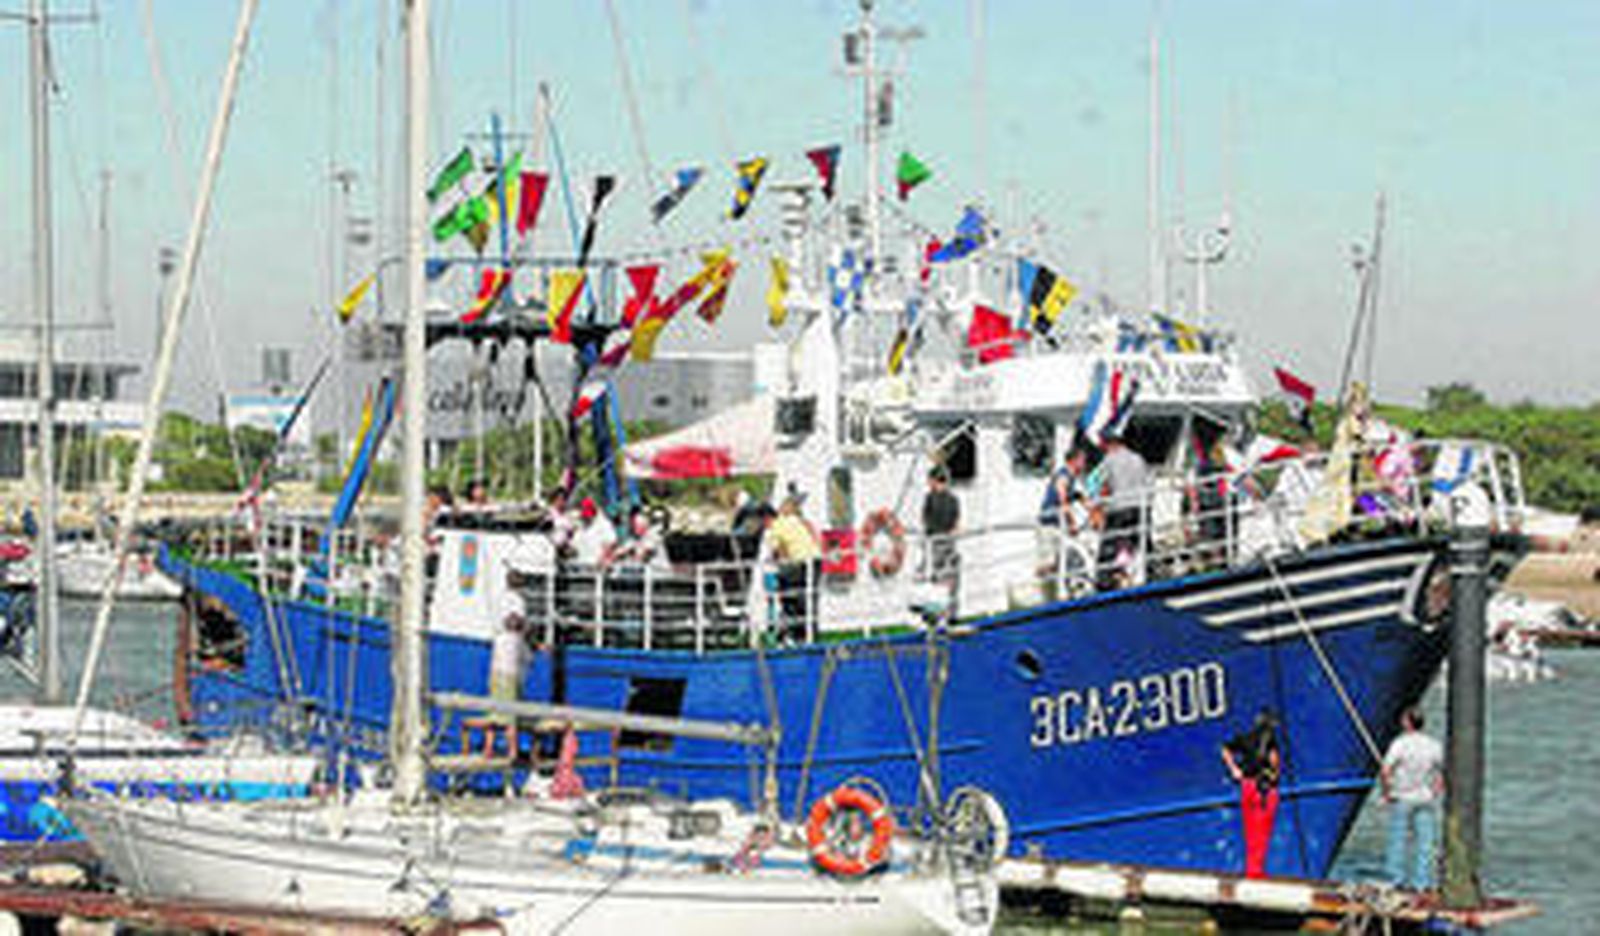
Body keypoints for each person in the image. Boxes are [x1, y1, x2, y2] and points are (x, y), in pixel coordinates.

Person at [1381, 706, 1444, 891]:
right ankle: (1422, 883)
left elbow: (1386, 771)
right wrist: (1437, 790)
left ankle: (1395, 880)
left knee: (1398, 841)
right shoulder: (1433, 744)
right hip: (1424, 797)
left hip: (1402, 797)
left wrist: (1386, 793)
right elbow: (1442, 770)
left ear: (1407, 722)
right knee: (1425, 842)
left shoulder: (1400, 744)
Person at [1221, 709, 1282, 879]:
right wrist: (1274, 774)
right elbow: (1274, 762)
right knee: (1263, 832)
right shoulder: (1270, 741)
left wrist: (1235, 770)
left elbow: (1225, 749)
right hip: (1264, 789)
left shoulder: (1245, 738)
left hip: (1247, 786)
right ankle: (1258, 872)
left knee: (1250, 831)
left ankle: (1251, 871)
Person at [1095, 433, 1150, 589]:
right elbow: (1147, 483)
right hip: (1140, 508)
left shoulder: (1110, 459)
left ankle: (1104, 580)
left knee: (1108, 545)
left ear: (1110, 445)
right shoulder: (1138, 459)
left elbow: (1098, 483)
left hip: (1119, 508)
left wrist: (1097, 506)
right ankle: (1148, 570)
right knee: (1141, 542)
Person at [1038, 445, 1097, 590]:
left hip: (1058, 526)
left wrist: (1091, 509)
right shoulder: (1063, 475)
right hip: (1049, 525)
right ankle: (1044, 594)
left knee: (1061, 561)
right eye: (1082, 460)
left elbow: (1077, 495)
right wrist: (1072, 523)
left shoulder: (1072, 478)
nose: (1084, 463)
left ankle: (1058, 591)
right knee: (1049, 564)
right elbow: (1063, 501)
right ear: (1074, 461)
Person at [765, 491, 822, 640]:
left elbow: (776, 550)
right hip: (815, 559)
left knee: (790, 593)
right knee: (810, 597)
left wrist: (778, 563)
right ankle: (810, 631)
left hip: (801, 561)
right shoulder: (794, 520)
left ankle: (797, 631)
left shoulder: (777, 526)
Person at [921, 468, 960, 590]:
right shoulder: (952, 498)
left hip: (940, 539)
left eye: (930, 480)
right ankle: (945, 592)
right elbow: (956, 519)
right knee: (944, 568)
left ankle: (943, 592)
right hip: (944, 538)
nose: (929, 484)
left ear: (934, 480)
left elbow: (926, 517)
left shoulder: (932, 497)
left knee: (941, 567)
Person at [570, 497, 617, 566]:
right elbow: (573, 546)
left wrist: (604, 556)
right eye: (584, 516)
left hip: (597, 566)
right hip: (581, 564)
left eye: (588, 515)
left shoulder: (603, 524)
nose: (586, 517)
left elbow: (612, 542)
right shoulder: (580, 527)